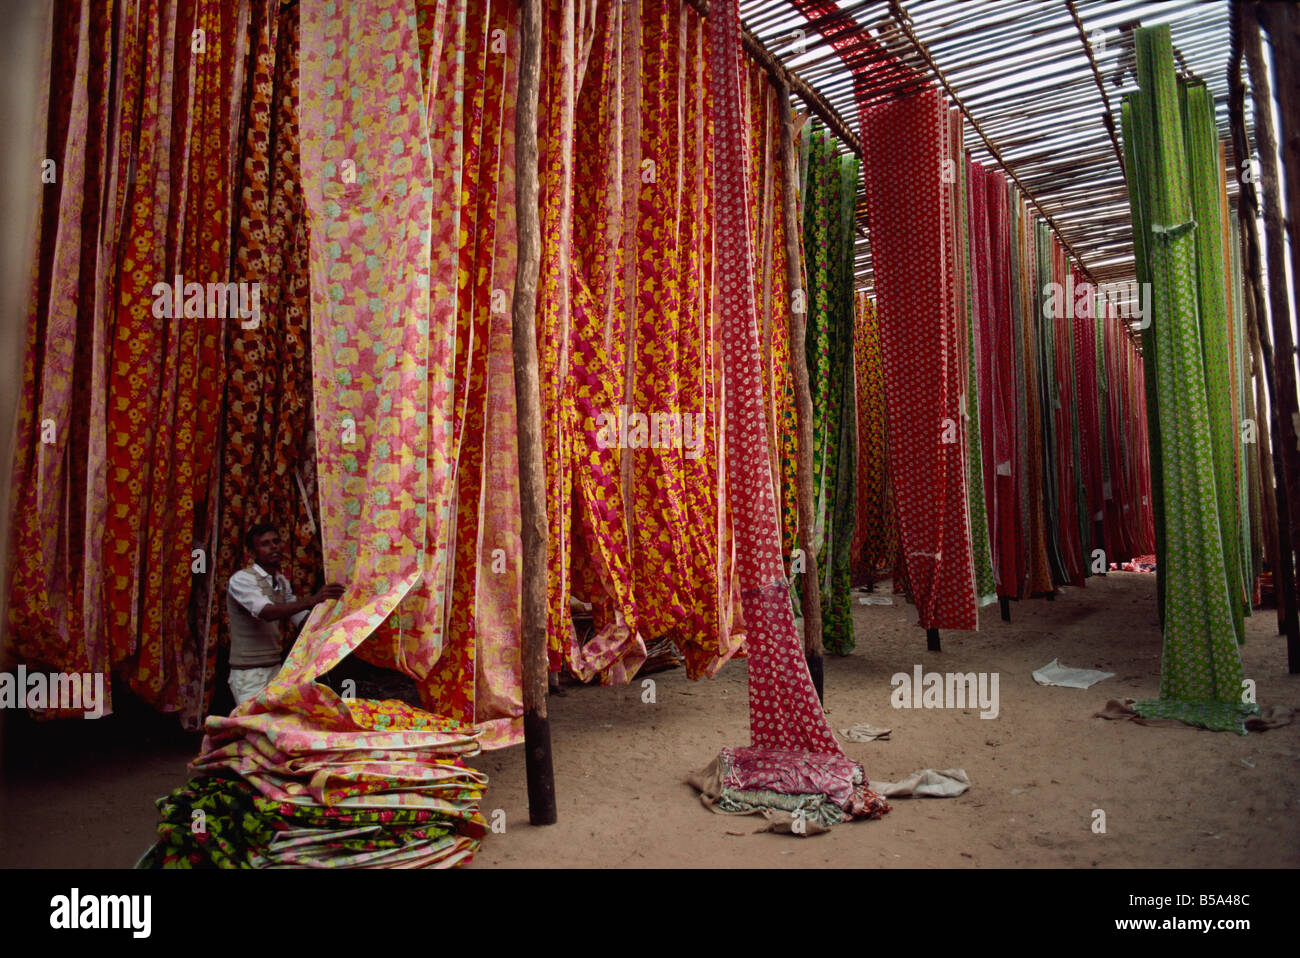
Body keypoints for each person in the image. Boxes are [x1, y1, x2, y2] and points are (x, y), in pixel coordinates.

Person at [225, 523, 344, 707]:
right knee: (251, 725)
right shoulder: (242, 580)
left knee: (271, 725)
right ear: (251, 553)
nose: (273, 547)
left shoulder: (280, 582)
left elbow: (301, 620)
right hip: (248, 673)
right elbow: (267, 612)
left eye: (275, 541)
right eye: (265, 544)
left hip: (274, 667)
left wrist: (337, 615)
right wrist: (315, 599)